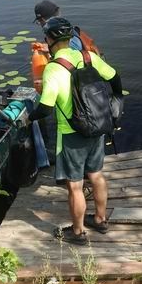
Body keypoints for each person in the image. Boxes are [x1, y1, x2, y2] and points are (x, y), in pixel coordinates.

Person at [28, 17, 122, 245]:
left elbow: (46, 107)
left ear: (49, 40)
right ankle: (100, 219)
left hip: (71, 133)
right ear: (71, 38)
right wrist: (117, 101)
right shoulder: (88, 57)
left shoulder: (53, 68)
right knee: (96, 175)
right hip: (97, 128)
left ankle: (78, 232)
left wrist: (28, 119)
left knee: (75, 184)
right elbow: (115, 77)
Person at [33, 0, 100, 54]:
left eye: (39, 22)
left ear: (43, 20)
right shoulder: (69, 30)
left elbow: (72, 57)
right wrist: (50, 48)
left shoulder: (71, 41)